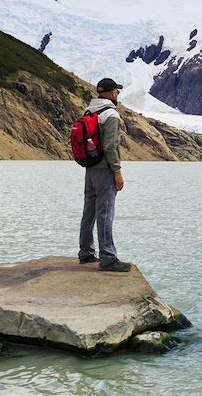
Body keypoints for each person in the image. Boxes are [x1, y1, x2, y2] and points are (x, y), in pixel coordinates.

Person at [78, 77, 131, 272]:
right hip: (105, 171)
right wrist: (117, 171)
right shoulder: (111, 115)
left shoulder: (90, 111)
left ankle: (86, 253)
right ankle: (108, 258)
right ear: (111, 93)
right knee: (105, 213)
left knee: (89, 211)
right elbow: (110, 147)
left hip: (90, 169)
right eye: (116, 91)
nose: (117, 94)